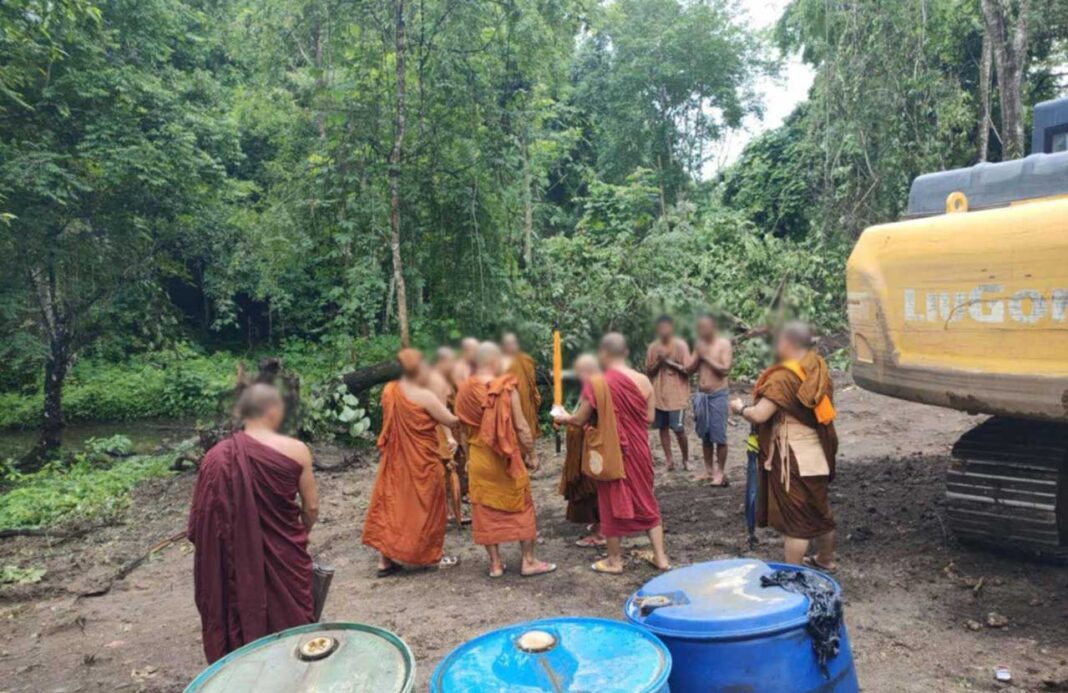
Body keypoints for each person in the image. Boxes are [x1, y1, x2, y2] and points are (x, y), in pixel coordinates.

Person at [187, 384, 318, 663]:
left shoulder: (214, 457)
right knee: (292, 620)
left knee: (237, 616)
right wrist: (296, 536)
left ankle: (241, 669)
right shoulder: (296, 450)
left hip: (233, 563)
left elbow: (200, 522)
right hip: (284, 554)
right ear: (274, 410)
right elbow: (311, 507)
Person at [555, 333, 670, 574]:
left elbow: (579, 419)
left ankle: (614, 561)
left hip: (610, 451)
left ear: (602, 354)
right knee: (646, 500)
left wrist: (563, 417)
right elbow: (649, 418)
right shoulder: (643, 381)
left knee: (609, 502)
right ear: (626, 353)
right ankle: (661, 558)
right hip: (639, 450)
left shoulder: (598, 382)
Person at [730, 322, 838, 571]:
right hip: (818, 450)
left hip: (792, 455)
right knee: (820, 509)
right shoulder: (817, 367)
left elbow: (760, 415)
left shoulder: (782, 377)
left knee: (796, 521)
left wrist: (740, 409)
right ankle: (825, 559)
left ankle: (793, 572)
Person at [455, 342, 556, 578]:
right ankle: (528, 561)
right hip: (506, 457)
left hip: (479, 457)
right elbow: (521, 427)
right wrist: (531, 454)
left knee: (485, 510)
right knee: (522, 505)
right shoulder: (506, 387)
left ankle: (495, 564)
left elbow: (462, 430)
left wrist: (468, 458)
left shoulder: (464, 389)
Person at [362, 349, 461, 577]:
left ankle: (384, 561)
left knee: (392, 505)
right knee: (428, 506)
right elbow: (451, 421)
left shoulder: (389, 390)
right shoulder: (423, 395)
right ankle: (431, 555)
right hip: (422, 461)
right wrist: (470, 408)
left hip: (395, 460)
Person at [558, 354, 603, 548]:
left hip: (594, 444)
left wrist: (562, 418)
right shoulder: (595, 386)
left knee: (593, 486)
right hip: (591, 441)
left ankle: (600, 532)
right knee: (593, 486)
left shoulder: (594, 387)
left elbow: (579, 419)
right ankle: (599, 525)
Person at [687, 314, 733, 485]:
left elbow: (725, 369)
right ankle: (708, 470)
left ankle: (720, 472)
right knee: (705, 435)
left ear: (713, 327)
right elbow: (688, 370)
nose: (701, 330)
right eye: (699, 327)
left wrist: (706, 357)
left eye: (704, 327)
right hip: (702, 396)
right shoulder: (699, 344)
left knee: (719, 436)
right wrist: (697, 357)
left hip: (718, 395)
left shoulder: (723, 344)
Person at [645, 315, 691, 471]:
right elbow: (649, 371)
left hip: (677, 396)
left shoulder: (680, 346)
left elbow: (688, 370)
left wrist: (669, 362)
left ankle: (686, 459)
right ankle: (669, 460)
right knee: (662, 427)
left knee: (678, 429)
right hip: (658, 395)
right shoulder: (653, 347)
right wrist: (659, 361)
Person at [502, 332, 542, 440]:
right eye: (509, 344)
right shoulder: (500, 362)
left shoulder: (525, 360)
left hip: (526, 401)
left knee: (526, 428)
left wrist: (534, 396)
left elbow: (531, 383)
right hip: (509, 401)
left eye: (513, 343)